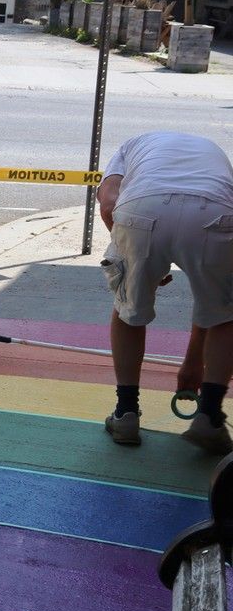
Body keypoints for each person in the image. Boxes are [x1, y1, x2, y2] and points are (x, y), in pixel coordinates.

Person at [98, 131, 233, 454]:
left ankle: (126, 413)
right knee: (226, 315)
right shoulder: (214, 153)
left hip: (143, 209)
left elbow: (108, 202)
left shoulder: (129, 146)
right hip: (212, 210)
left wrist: (132, 256)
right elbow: (212, 309)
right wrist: (193, 363)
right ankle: (210, 416)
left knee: (128, 310)